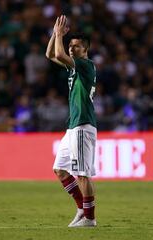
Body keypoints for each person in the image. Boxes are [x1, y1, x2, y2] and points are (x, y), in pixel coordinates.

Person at [46, 15, 98, 227]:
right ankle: (81, 209)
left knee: (82, 175)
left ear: (85, 50)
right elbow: (50, 54)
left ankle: (90, 218)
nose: (71, 49)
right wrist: (54, 35)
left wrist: (59, 35)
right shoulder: (73, 67)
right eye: (70, 45)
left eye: (76, 47)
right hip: (73, 127)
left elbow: (58, 52)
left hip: (83, 125)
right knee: (60, 169)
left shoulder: (85, 65)